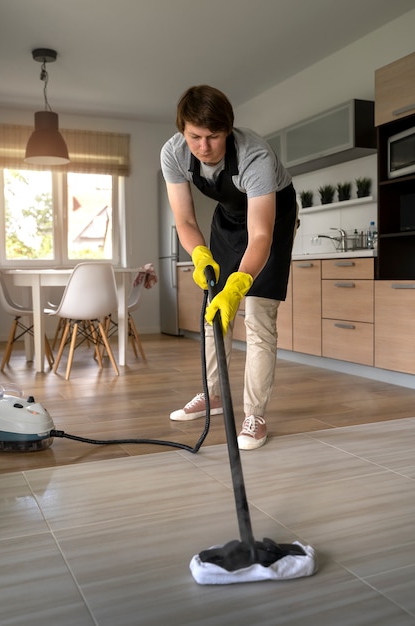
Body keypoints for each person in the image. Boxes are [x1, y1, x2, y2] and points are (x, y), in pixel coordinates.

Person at [160, 85, 298, 450]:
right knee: (213, 312)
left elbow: (260, 236)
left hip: (272, 221)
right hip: (228, 219)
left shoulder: (256, 157)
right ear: (182, 130)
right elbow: (185, 221)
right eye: (195, 136)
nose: (203, 147)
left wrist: (238, 285)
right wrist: (201, 256)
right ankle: (214, 394)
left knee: (258, 316)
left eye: (213, 137)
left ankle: (255, 415)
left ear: (229, 131)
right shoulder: (173, 154)